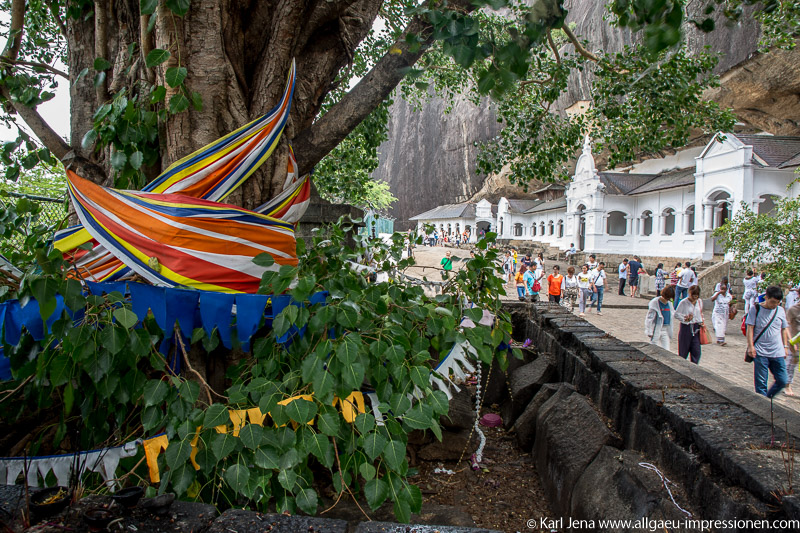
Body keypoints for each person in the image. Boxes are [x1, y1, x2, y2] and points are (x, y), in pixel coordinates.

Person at [746, 286, 790, 398]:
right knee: (761, 385)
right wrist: (751, 346)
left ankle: (767, 399)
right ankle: (763, 405)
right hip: (760, 352)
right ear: (766, 297)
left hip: (777, 352)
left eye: (777, 303)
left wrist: (785, 346)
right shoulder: (755, 309)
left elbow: (784, 329)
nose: (774, 305)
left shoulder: (780, 310)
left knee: (782, 380)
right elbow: (750, 328)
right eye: (772, 302)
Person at [675, 285, 704, 364]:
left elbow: (700, 313)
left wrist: (701, 321)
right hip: (686, 327)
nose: (694, 298)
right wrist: (685, 318)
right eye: (693, 295)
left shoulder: (699, 302)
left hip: (696, 328)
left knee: (696, 351)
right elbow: (676, 314)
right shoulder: (684, 302)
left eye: (696, 296)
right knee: (683, 351)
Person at [645, 285, 675, 350]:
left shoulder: (669, 304)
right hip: (656, 328)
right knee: (654, 347)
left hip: (665, 328)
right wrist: (649, 331)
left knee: (666, 349)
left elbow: (672, 314)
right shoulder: (655, 303)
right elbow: (649, 318)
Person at [786, 298, 800, 397]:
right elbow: (787, 326)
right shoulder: (793, 310)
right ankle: (787, 385)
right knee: (791, 364)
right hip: (794, 340)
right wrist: (791, 342)